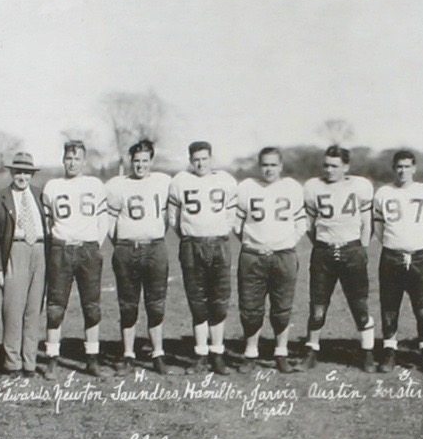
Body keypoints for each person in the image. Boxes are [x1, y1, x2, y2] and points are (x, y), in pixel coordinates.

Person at [303, 145, 378, 371]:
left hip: (352, 250)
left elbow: (368, 222)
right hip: (324, 251)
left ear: (346, 166)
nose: (329, 170)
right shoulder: (313, 186)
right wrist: (322, 244)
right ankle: (311, 350)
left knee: (359, 305)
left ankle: (367, 352)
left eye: (334, 166)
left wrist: (361, 247)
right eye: (326, 165)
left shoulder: (360, 185)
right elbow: (309, 224)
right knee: (317, 308)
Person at [103, 140, 176, 373]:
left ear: (151, 161)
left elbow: (167, 218)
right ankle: (128, 354)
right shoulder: (118, 185)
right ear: (130, 161)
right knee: (128, 304)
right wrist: (124, 242)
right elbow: (110, 222)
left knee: (156, 304)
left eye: (145, 161)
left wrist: (151, 236)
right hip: (126, 250)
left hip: (155, 248)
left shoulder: (164, 182)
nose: (141, 165)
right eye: (137, 161)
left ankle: (157, 353)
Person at [233, 147, 308, 371]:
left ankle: (281, 352)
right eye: (265, 164)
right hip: (253, 256)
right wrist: (254, 243)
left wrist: (284, 243)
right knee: (250, 308)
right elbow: (237, 225)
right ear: (259, 165)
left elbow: (301, 224)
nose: (269, 169)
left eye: (273, 165)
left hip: (283, 256)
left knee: (282, 308)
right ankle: (250, 353)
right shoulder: (247, 187)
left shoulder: (292, 188)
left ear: (281, 166)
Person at [42, 140, 113, 374]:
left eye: (77, 158)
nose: (72, 163)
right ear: (63, 159)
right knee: (55, 306)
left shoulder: (94, 184)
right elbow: (48, 222)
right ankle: (52, 356)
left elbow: (103, 220)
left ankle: (92, 358)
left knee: (91, 305)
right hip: (61, 249)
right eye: (69, 158)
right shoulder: (52, 186)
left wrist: (93, 244)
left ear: (84, 161)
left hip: (87, 250)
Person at [169, 141, 241, 373]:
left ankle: (217, 353)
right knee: (198, 302)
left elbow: (232, 214)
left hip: (219, 244)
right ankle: (201, 353)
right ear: (191, 160)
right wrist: (192, 235)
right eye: (196, 159)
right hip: (192, 245)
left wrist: (218, 232)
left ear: (211, 158)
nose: (200, 163)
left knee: (219, 301)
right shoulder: (180, 181)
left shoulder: (226, 180)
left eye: (204, 159)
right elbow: (174, 218)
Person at [373, 150, 423, 372]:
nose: (403, 171)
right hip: (392, 256)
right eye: (399, 167)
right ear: (393, 168)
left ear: (414, 168)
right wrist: (395, 244)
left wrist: (419, 245)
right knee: (389, 307)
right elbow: (378, 228)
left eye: (407, 166)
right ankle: (389, 351)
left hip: (419, 256)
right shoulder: (383, 192)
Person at [0, 151, 54, 375]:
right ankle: (12, 362)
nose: (22, 176)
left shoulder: (39, 195)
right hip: (14, 250)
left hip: (39, 250)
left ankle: (29, 362)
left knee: (34, 309)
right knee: (13, 309)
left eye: (26, 172)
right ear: (11, 172)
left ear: (32, 174)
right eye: (18, 171)